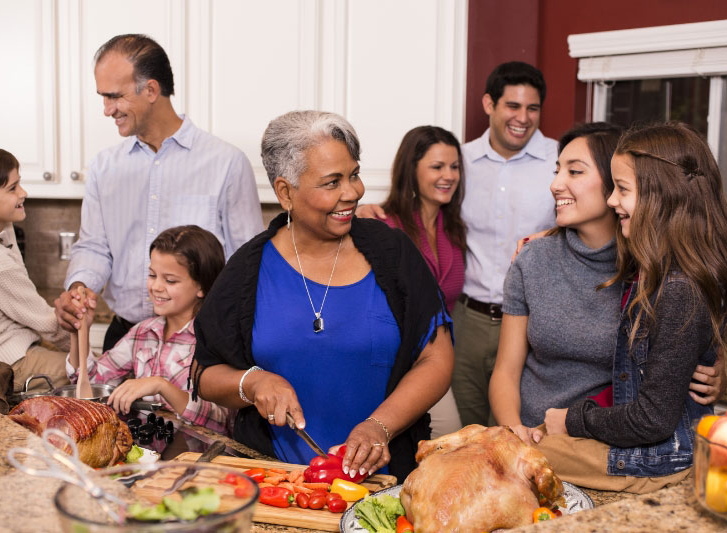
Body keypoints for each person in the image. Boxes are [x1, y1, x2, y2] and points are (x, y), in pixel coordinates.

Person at [191, 111, 454, 481]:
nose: (352, 192)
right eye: (332, 182)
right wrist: (253, 382)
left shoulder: (393, 253)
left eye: (354, 175)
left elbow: (436, 357)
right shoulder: (247, 269)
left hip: (387, 480)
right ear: (285, 192)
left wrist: (380, 426)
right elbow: (205, 373)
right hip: (279, 484)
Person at [537, 122, 727, 493]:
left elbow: (652, 420)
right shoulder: (655, 271)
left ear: (663, 198)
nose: (612, 201)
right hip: (650, 448)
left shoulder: (679, 289)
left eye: (623, 190)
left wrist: (573, 420)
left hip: (657, 458)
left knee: (515, 456)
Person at [489, 123, 725, 449]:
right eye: (557, 171)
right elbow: (505, 371)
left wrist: (710, 373)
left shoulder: (652, 268)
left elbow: (671, 368)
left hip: (608, 445)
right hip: (534, 437)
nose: (556, 184)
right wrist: (515, 432)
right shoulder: (532, 258)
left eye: (575, 172)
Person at [357, 62, 558, 426]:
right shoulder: (463, 157)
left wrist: (552, 233)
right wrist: (359, 210)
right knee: (467, 432)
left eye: (533, 108)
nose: (523, 117)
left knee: (521, 430)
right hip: (465, 324)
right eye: (512, 106)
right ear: (489, 105)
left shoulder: (560, 164)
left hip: (532, 321)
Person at [55, 34, 263, 351]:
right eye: (103, 98)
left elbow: (245, 265)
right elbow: (95, 247)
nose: (107, 110)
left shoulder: (226, 164)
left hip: (198, 342)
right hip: (123, 338)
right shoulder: (103, 167)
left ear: (151, 90)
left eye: (115, 97)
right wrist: (80, 287)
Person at [67, 225, 229, 433]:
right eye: (152, 275)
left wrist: (161, 386)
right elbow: (90, 384)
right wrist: (79, 330)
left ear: (202, 286)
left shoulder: (214, 340)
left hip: (198, 457)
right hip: (149, 453)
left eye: (170, 280)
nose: (156, 287)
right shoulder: (143, 333)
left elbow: (222, 420)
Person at [378, 125, 465, 438]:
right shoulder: (382, 225)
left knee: (447, 442)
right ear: (410, 171)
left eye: (454, 167)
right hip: (391, 364)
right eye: (437, 166)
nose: (449, 175)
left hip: (435, 361)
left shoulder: (453, 228)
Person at [0, 146, 69, 392]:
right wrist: (92, 354)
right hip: (6, 362)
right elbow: (45, 323)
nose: (23, 193)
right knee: (98, 373)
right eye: (12, 188)